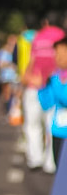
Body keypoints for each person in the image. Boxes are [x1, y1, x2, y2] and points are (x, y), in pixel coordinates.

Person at [22, 15, 64, 173]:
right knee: (51, 124)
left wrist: (28, 77)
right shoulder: (61, 36)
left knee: (33, 124)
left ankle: (35, 158)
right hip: (55, 86)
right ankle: (51, 162)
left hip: (35, 84)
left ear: (45, 22)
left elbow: (31, 62)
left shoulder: (38, 36)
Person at [38, 39, 67, 169]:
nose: (57, 58)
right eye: (56, 54)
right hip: (58, 131)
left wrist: (57, 85)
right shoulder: (55, 77)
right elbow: (46, 104)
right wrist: (42, 85)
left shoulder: (56, 80)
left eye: (61, 54)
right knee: (60, 171)